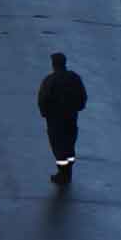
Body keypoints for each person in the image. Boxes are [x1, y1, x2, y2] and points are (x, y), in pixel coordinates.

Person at [38, 52, 90, 184]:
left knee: (58, 146)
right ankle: (68, 171)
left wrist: (46, 114)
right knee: (69, 145)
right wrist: (76, 109)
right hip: (71, 118)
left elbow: (43, 99)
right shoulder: (74, 78)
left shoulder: (50, 80)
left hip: (55, 120)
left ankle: (63, 173)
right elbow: (82, 97)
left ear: (54, 64)